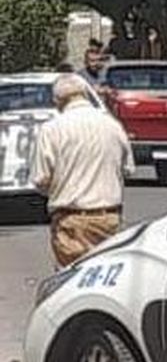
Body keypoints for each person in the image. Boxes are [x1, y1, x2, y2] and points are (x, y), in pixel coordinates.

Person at [30, 74, 134, 268]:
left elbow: (41, 178)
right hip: (109, 219)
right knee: (105, 277)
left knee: (70, 281)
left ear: (58, 101)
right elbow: (128, 169)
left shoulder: (52, 130)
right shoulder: (112, 126)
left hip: (72, 219)